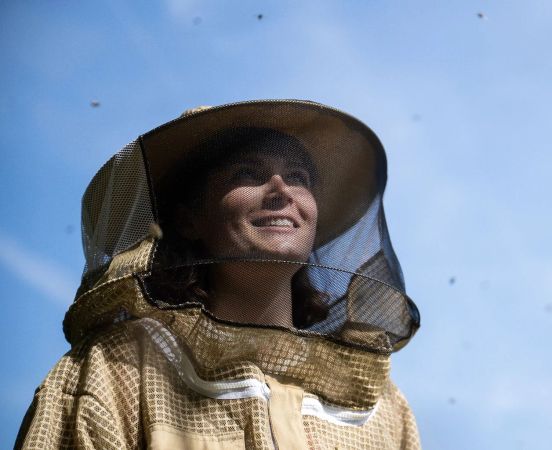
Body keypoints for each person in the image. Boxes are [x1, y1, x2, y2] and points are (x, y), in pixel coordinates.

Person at [15, 100, 421, 449]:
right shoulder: (119, 365)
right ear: (190, 218)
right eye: (247, 173)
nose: (281, 188)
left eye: (298, 177)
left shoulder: (376, 401)